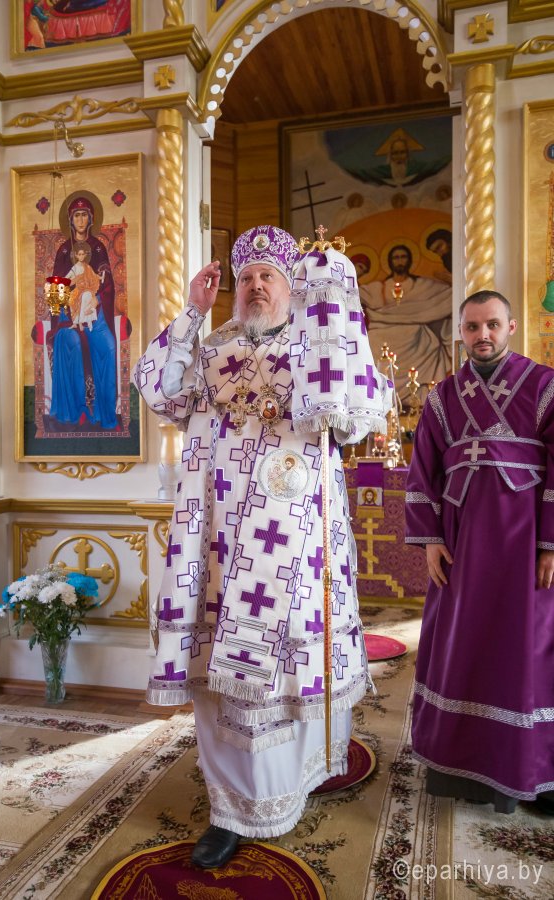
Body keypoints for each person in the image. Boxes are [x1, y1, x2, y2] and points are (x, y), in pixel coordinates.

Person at [133, 225, 391, 868]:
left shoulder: (319, 341)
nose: (254, 287)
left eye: (267, 276)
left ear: (289, 286)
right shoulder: (212, 348)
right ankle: (232, 809)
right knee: (224, 670)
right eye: (245, 278)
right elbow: (159, 390)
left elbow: (360, 412)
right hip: (219, 542)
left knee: (292, 667)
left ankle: (303, 774)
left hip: (295, 540)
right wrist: (192, 311)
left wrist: (335, 307)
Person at [405, 289, 554, 815]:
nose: (482, 335)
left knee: (527, 650)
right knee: (462, 646)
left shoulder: (544, 385)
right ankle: (458, 764)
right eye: (472, 327)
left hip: (524, 546)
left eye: (492, 324)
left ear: (511, 327)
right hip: (462, 545)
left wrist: (550, 543)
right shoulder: (443, 396)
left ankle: (536, 769)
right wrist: (430, 541)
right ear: (461, 334)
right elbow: (423, 471)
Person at [48, 194, 118, 430]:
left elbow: (107, 284)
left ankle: (104, 413)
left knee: (109, 347)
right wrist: (63, 309)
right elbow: (55, 290)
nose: (80, 219)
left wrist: (96, 300)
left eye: (84, 215)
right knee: (72, 343)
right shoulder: (63, 251)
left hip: (95, 313)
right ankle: (77, 410)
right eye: (76, 215)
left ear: (91, 219)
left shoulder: (98, 248)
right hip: (68, 315)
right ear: (70, 219)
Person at [359, 243, 452, 399]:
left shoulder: (424, 285)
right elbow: (355, 292)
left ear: (410, 260)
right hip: (381, 337)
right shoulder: (377, 288)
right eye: (396, 258)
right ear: (390, 262)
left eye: (403, 257)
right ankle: (380, 398)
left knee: (429, 342)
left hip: (417, 338)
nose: (400, 261)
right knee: (372, 341)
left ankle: (422, 400)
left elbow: (448, 296)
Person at [66, 242, 101, 331]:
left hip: (87, 288)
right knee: (71, 299)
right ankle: (75, 323)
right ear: (76, 256)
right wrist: (74, 279)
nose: (81, 256)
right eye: (79, 254)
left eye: (82, 254)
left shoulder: (87, 267)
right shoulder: (75, 268)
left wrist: (100, 277)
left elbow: (94, 275)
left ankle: (83, 322)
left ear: (85, 255)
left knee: (86, 296)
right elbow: (67, 278)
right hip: (78, 289)